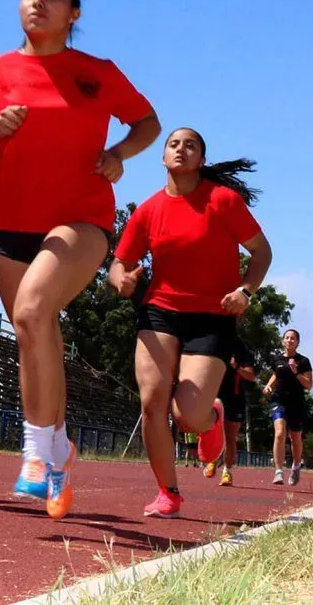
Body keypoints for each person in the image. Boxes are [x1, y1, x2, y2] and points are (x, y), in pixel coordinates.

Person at [0, 0, 161, 520]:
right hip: (10, 226)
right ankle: (61, 449)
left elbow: (147, 123)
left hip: (80, 219)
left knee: (34, 308)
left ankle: (37, 455)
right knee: (31, 332)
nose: (38, 1)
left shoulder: (96, 73)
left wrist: (118, 155)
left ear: (74, 13)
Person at [109, 127, 272, 519]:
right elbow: (119, 263)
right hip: (159, 311)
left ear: (201, 160)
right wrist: (122, 279)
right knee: (151, 400)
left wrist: (245, 292)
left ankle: (211, 418)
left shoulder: (223, 201)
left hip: (212, 315)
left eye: (191, 145)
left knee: (187, 416)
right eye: (173, 144)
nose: (181, 149)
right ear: (163, 157)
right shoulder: (148, 211)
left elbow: (261, 252)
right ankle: (168, 492)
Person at [262, 329, 313, 485]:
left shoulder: (303, 361)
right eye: (287, 338)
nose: (290, 340)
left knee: (295, 437)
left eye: (293, 338)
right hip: (279, 400)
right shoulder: (277, 359)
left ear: (297, 342)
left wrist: (296, 372)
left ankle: (296, 467)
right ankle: (278, 471)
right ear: (283, 341)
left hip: (296, 403)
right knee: (279, 434)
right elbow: (277, 374)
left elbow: (309, 385)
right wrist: (268, 386)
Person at [204, 338, 257, 486]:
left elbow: (252, 375)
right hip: (214, 396)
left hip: (235, 399)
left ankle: (227, 471)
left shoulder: (240, 349)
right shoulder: (211, 344)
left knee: (230, 436)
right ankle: (213, 461)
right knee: (212, 431)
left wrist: (236, 367)